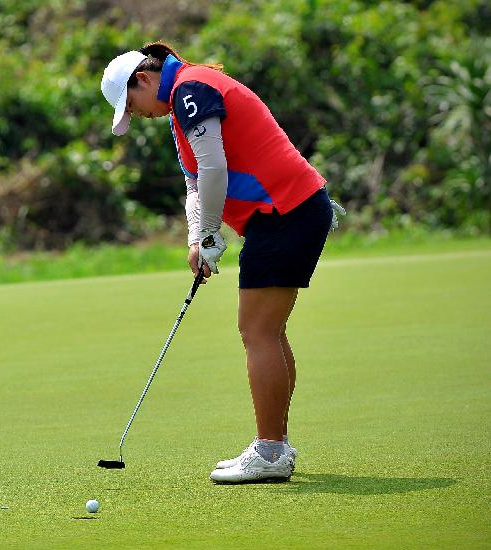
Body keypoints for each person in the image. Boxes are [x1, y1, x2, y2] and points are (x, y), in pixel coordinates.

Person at [100, 42, 344, 484]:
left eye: (131, 106)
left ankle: (270, 451)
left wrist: (213, 232)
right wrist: (198, 237)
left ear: (143, 80)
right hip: (290, 213)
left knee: (258, 331)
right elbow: (196, 183)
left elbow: (215, 168)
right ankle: (276, 447)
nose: (136, 115)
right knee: (267, 330)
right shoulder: (182, 103)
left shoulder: (192, 89)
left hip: (285, 212)